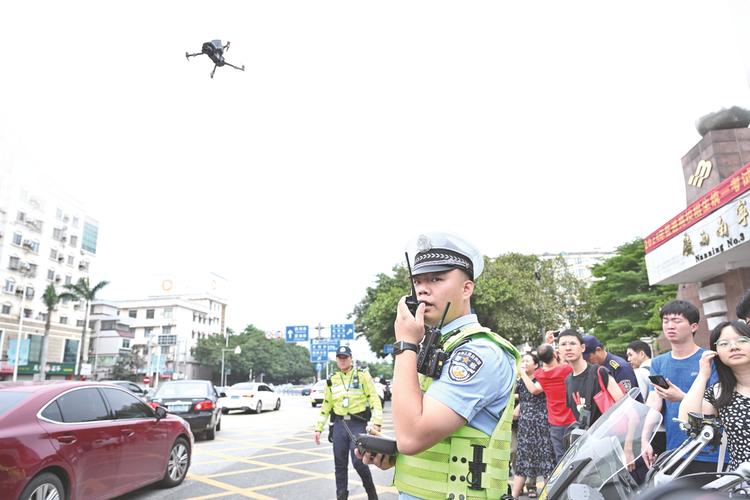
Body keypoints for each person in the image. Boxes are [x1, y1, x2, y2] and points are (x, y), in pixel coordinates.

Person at [360, 232, 520, 500]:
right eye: (418, 281)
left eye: (436, 278)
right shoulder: (442, 346)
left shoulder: (477, 352)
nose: (423, 289)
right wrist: (396, 453)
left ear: (466, 288)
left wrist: (405, 345)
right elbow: (429, 439)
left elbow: (412, 437)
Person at [641, 300, 723, 480]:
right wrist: (645, 439)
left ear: (694, 326)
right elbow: (655, 401)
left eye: (677, 321)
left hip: (709, 449)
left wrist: (681, 398)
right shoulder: (658, 363)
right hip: (676, 449)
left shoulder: (709, 360)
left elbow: (717, 405)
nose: (670, 325)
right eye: (665, 320)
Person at [314, 345, 383, 500]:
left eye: (345, 357)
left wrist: (377, 421)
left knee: (359, 462)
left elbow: (374, 398)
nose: (343, 360)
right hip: (339, 426)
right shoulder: (332, 380)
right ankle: (341, 496)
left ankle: (372, 494)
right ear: (337, 360)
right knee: (339, 465)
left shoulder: (362, 375)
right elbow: (326, 405)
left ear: (351, 358)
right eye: (340, 358)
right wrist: (318, 428)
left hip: (357, 424)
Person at [680, 320, 750, 472]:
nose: (734, 347)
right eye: (724, 343)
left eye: (742, 340)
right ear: (716, 352)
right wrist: (703, 374)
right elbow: (686, 421)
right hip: (743, 483)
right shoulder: (718, 392)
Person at [521, 339, 575, 463]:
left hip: (555, 422)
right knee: (575, 453)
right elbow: (562, 361)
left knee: (561, 457)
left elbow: (534, 390)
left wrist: (522, 373)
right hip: (572, 419)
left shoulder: (540, 375)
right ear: (555, 355)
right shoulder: (566, 370)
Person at [512, 353, 556, 499]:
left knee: (546, 460)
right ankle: (513, 495)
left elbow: (533, 390)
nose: (523, 363)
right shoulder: (520, 380)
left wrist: (522, 374)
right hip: (525, 425)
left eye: (527, 361)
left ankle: (550, 495)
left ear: (536, 365)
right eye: (522, 360)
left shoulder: (542, 378)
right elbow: (521, 397)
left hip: (541, 424)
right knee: (523, 461)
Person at [560, 329, 624, 429]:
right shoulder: (568, 380)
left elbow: (626, 409)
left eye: (572, 343)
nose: (568, 348)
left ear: (582, 347)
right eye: (563, 344)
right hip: (588, 441)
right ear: (559, 350)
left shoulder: (600, 372)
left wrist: (628, 442)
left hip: (610, 437)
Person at [583, 334, 640, 400]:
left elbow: (629, 397)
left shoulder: (619, 367)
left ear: (598, 350)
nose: (587, 361)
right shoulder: (595, 369)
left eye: (588, 358)